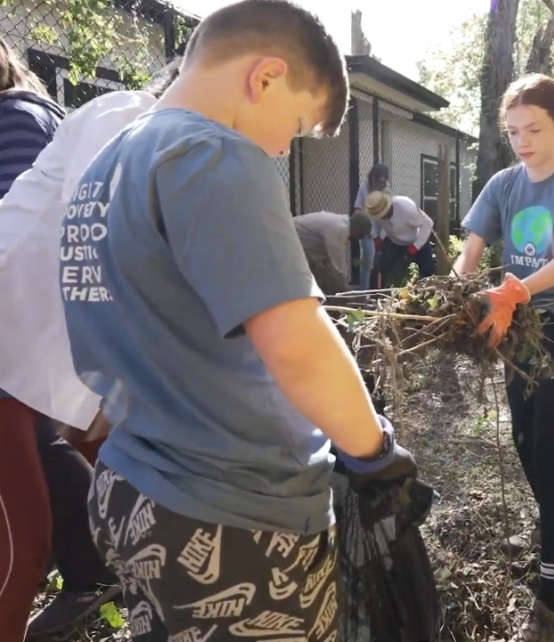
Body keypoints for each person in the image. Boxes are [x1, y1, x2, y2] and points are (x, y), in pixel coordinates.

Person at [59, 2, 416, 640]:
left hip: (136, 488)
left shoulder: (103, 170)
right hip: (237, 520)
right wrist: (375, 449)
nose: (281, 148)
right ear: (267, 77)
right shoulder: (210, 152)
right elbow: (297, 345)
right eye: (297, 126)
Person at [0, 59, 182, 640]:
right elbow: (91, 245)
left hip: (24, 354)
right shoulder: (118, 121)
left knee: (30, 535)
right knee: (21, 545)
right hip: (13, 351)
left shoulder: (26, 120)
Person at [453, 73, 554, 641]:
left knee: (549, 441)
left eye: (534, 129)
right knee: (523, 441)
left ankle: (552, 586)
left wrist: (515, 288)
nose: (522, 140)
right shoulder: (501, 183)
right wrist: (448, 301)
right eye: (512, 130)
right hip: (514, 328)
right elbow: (467, 256)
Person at [0, 37, 122, 642]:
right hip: (35, 344)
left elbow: (21, 235)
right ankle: (100, 570)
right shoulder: (37, 115)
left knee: (20, 538)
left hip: (19, 339)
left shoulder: (15, 121)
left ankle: (99, 571)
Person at [364, 190, 436, 286]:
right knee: (379, 268)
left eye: (383, 215)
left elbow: (428, 224)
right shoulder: (375, 211)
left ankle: (429, 294)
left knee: (428, 271)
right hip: (393, 241)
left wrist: (415, 247)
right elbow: (375, 224)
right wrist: (377, 239)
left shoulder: (407, 208)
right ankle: (374, 296)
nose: (381, 218)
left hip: (415, 241)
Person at [294, 210, 373, 295]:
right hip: (290, 238)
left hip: (298, 244)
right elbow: (338, 266)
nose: (362, 237)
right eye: (363, 234)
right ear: (357, 229)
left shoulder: (342, 223)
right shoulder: (340, 229)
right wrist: (346, 291)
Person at [353, 163, 389, 288]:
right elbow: (357, 208)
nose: (380, 184)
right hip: (366, 231)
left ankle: (377, 291)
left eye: (383, 181)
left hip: (381, 232)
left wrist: (382, 237)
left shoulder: (385, 192)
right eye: (378, 180)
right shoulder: (364, 188)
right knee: (367, 263)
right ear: (372, 178)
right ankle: (363, 294)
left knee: (378, 263)